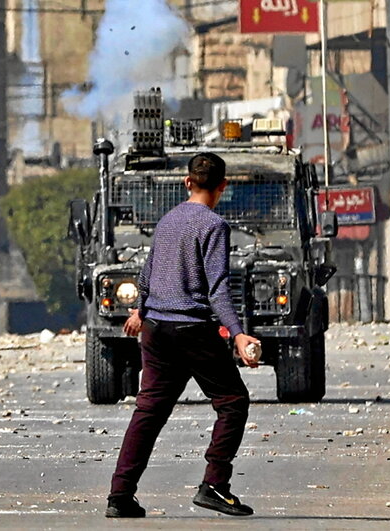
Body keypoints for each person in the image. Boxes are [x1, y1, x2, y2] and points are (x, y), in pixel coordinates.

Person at [105, 152, 261, 518]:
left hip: (156, 331)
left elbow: (145, 276)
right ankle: (215, 485)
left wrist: (141, 312)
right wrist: (238, 335)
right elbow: (218, 289)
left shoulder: (167, 221)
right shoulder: (214, 226)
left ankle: (120, 495)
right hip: (192, 330)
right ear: (223, 186)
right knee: (233, 401)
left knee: (148, 411)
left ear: (187, 182)